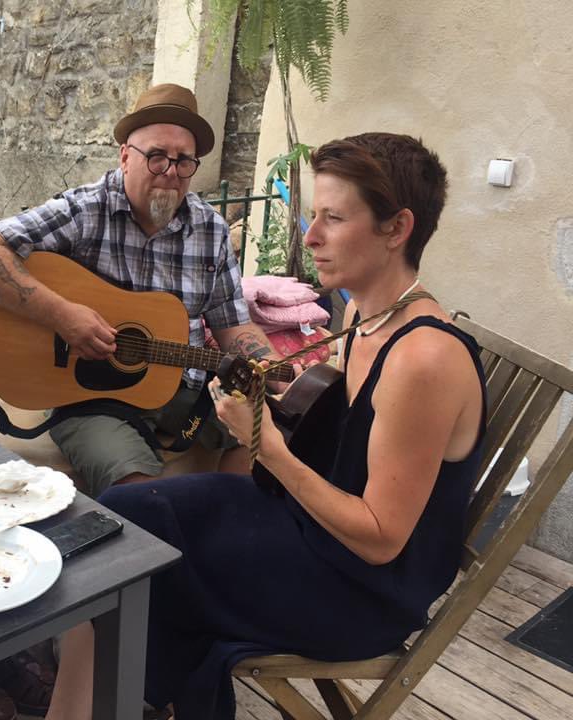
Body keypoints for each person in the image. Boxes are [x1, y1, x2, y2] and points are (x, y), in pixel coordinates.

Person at [43, 132, 487, 720]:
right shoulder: (363, 312)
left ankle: (103, 703)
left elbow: (381, 539)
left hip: (355, 592)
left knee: (137, 565)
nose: (310, 237)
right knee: (121, 522)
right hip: (309, 534)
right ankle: (89, 704)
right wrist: (267, 404)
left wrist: (268, 447)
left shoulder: (423, 359)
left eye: (333, 218)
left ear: (396, 228)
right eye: (311, 216)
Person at [0, 83, 276, 498]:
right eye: (156, 156)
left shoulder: (210, 228)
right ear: (126, 156)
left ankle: (219, 529)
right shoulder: (86, 209)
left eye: (183, 161)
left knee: (263, 440)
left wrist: (273, 367)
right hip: (91, 398)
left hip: (188, 393)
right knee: (140, 493)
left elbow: (233, 327)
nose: (170, 173)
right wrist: (64, 317)